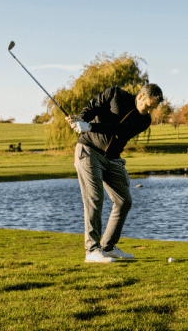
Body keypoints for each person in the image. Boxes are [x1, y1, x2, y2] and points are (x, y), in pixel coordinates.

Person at [66, 83, 163, 263]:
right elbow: (92, 107)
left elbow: (119, 129)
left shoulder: (144, 120)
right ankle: (92, 250)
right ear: (140, 96)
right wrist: (80, 120)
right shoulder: (115, 94)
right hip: (89, 151)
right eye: (148, 106)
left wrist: (89, 127)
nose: (149, 110)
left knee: (123, 201)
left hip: (112, 158)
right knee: (94, 199)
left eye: (153, 108)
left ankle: (108, 247)